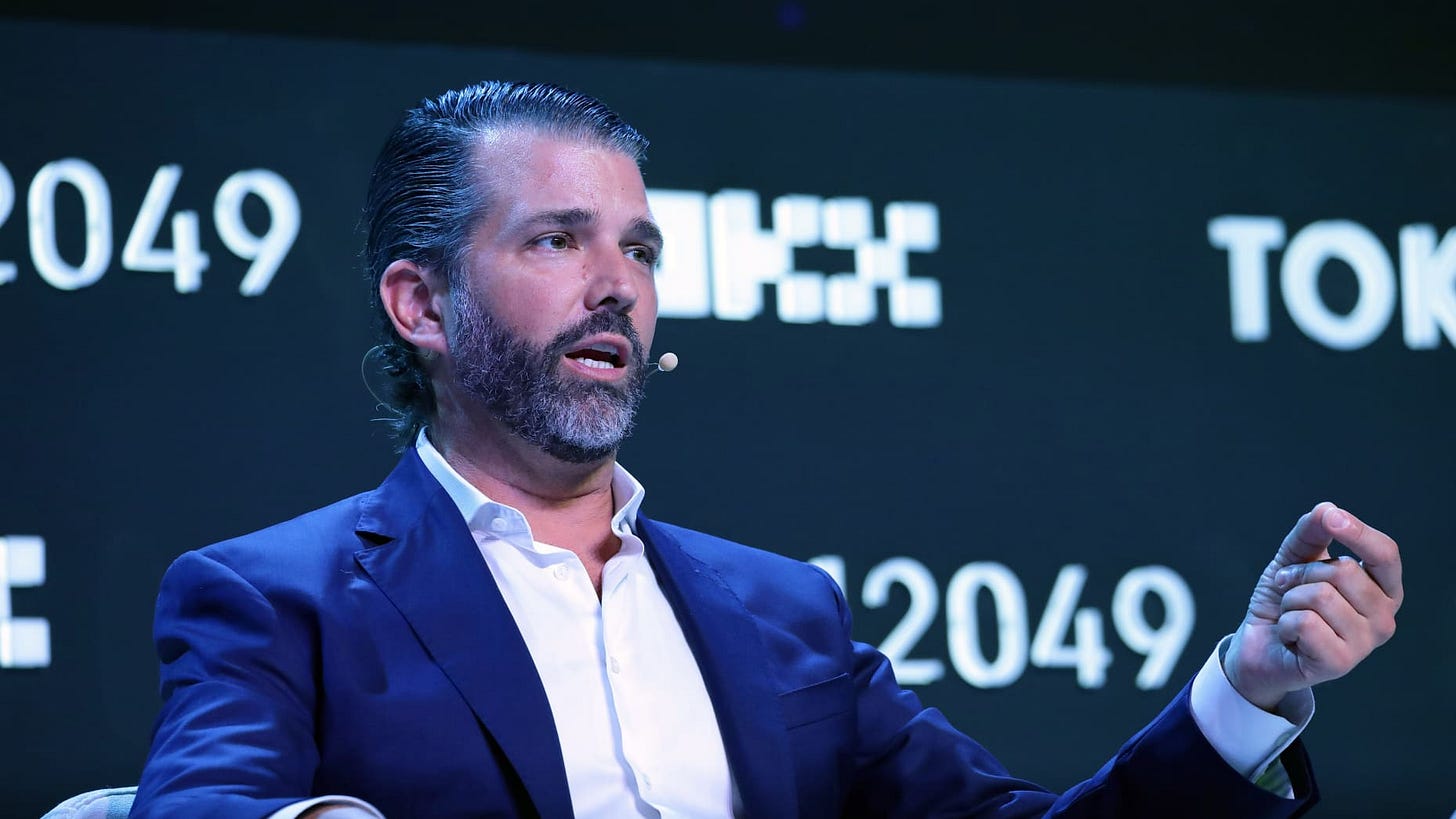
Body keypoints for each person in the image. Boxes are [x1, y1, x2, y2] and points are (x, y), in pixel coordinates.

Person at [131, 81, 1403, 818]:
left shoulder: (780, 614)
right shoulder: (276, 597)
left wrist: (1248, 686)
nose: (615, 285)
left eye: (638, 249)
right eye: (555, 241)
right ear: (419, 308)